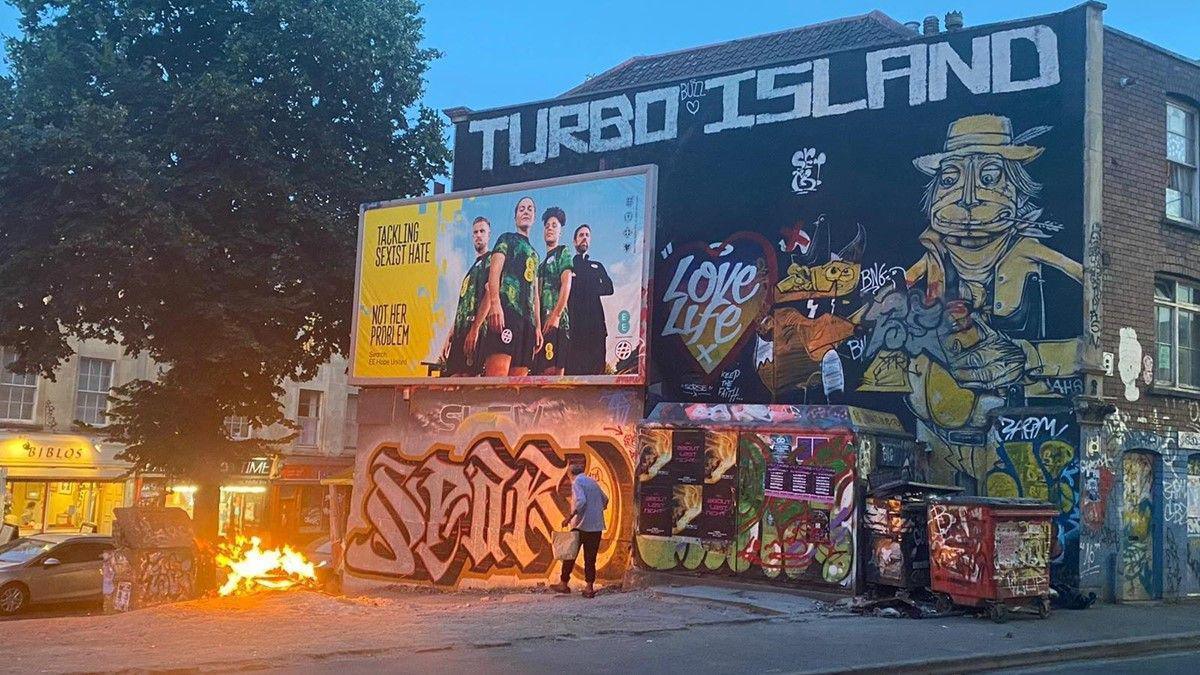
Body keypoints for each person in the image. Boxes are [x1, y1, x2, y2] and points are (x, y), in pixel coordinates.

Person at [481, 196, 542, 376]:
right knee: (497, 381)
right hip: (507, 313)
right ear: (515, 216)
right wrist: (495, 303)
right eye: (521, 208)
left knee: (517, 387)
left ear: (534, 218)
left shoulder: (535, 254)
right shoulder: (506, 239)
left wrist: (537, 327)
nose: (526, 211)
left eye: (530, 209)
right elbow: (494, 272)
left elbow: (535, 293)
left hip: (527, 323)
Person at [441, 216, 492, 376]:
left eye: (482, 231)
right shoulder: (471, 270)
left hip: (475, 334)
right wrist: (450, 334)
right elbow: (463, 306)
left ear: (489, 234)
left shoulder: (491, 261)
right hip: (460, 334)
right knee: (453, 380)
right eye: (475, 232)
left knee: (469, 381)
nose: (478, 235)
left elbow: (491, 294)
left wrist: (475, 329)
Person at [551, 462, 608, 598]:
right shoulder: (592, 482)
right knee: (590, 558)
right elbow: (605, 499)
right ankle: (589, 587)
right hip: (596, 526)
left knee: (570, 555)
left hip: (581, 526)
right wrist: (596, 510)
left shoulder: (577, 482)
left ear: (570, 474)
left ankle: (564, 584)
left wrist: (569, 517)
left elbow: (581, 502)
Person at [565, 224, 613, 375]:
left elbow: (609, 288)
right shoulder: (568, 266)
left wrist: (589, 289)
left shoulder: (597, 266)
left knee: (596, 368)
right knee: (574, 369)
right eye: (581, 235)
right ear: (574, 241)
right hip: (575, 326)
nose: (584, 238)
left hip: (596, 325)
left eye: (587, 235)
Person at [536, 207, 573, 376]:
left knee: (555, 376)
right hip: (541, 328)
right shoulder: (540, 265)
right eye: (547, 225)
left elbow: (567, 283)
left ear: (560, 231)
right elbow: (536, 296)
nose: (550, 228)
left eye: (554, 225)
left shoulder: (563, 252)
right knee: (542, 375)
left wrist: (556, 315)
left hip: (558, 325)